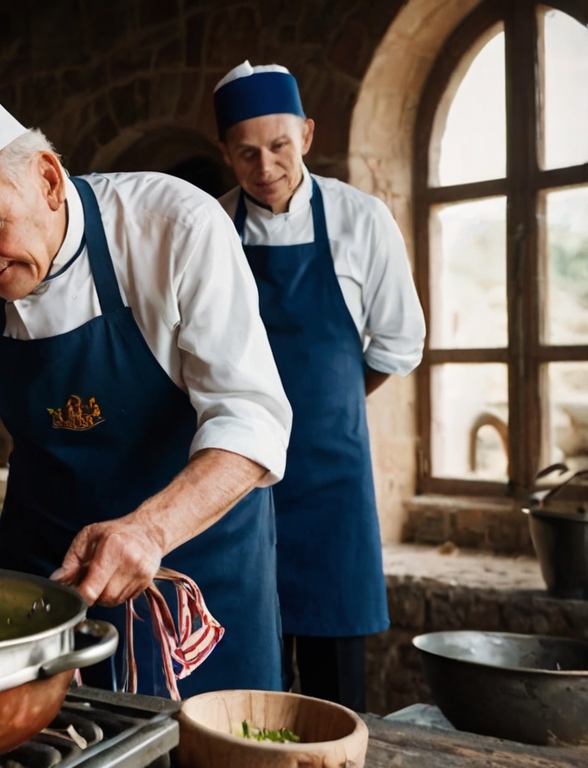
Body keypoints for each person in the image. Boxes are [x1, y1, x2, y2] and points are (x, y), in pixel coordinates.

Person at [0, 89, 293, 697]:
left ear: (49, 180)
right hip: (47, 567)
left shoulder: (173, 227)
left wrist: (150, 531)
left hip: (191, 554)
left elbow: (250, 415)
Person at [214, 60, 425, 711]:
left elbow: (397, 343)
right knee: (251, 677)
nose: (265, 165)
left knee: (336, 691)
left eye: (278, 145)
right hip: (236, 482)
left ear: (306, 133)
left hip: (332, 478)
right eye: (246, 152)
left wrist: (328, 404)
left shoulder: (363, 220)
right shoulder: (211, 230)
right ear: (226, 153)